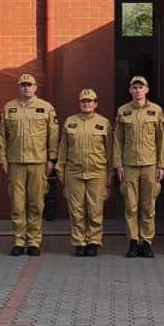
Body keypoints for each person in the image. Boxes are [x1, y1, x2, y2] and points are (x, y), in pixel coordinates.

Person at [2, 73, 59, 257]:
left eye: (29, 85)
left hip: (38, 162)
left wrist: (51, 159)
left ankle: (34, 241)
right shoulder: (9, 108)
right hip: (16, 162)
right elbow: (1, 137)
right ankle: (19, 240)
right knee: (17, 204)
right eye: (23, 85)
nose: (26, 88)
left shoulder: (46, 108)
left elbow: (53, 135)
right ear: (19, 88)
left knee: (36, 203)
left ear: (35, 88)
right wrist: (3, 160)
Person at [113, 76, 164, 258]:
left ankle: (147, 242)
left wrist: (162, 165)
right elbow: (117, 141)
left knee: (148, 206)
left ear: (147, 90)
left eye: (140, 87)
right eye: (134, 87)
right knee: (131, 206)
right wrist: (118, 164)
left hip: (150, 165)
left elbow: (162, 140)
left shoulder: (156, 111)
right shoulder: (123, 111)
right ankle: (133, 241)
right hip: (129, 165)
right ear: (130, 90)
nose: (137, 90)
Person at [59, 89, 112, 256]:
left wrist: (111, 173)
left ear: (96, 104)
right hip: (74, 172)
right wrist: (61, 170)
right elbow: (63, 149)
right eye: (83, 101)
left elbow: (110, 151)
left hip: (97, 172)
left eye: (90, 101)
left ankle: (93, 241)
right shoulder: (70, 122)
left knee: (95, 210)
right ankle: (79, 242)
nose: (86, 104)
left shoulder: (104, 123)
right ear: (79, 103)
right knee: (76, 210)